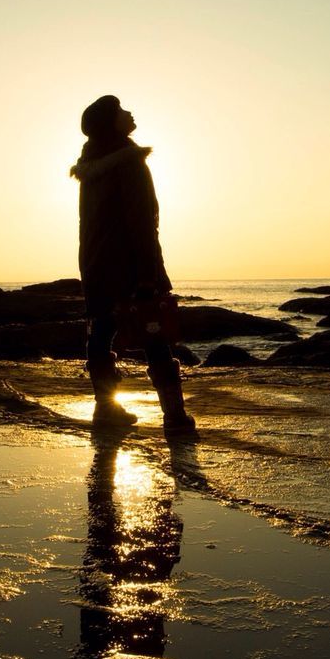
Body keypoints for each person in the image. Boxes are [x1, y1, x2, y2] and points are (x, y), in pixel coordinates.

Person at [70, 96, 196, 433]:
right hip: (129, 265)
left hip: (95, 265)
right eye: (122, 111)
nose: (130, 113)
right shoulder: (129, 162)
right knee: (155, 335)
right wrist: (147, 275)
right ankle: (174, 418)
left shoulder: (91, 166)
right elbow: (141, 221)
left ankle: (105, 411)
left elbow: (90, 227)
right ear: (111, 123)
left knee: (100, 333)